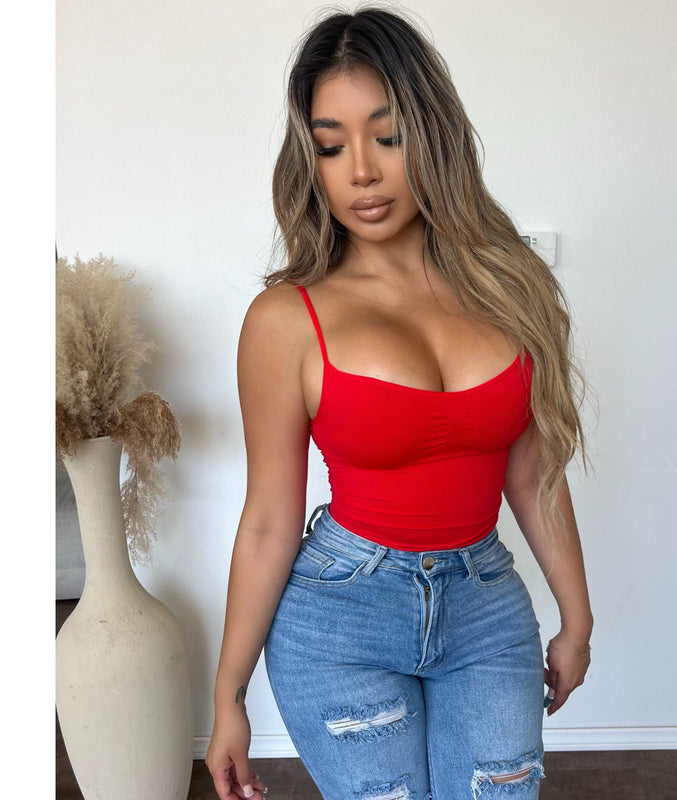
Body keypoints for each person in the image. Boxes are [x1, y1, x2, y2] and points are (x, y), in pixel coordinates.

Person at [206, 7, 593, 800]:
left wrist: (577, 615)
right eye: (331, 145)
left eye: (386, 136)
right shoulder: (286, 320)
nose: (361, 172)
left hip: (485, 611)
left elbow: (535, 472)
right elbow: (269, 521)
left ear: (432, 134)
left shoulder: (513, 287)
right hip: (340, 620)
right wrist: (228, 697)